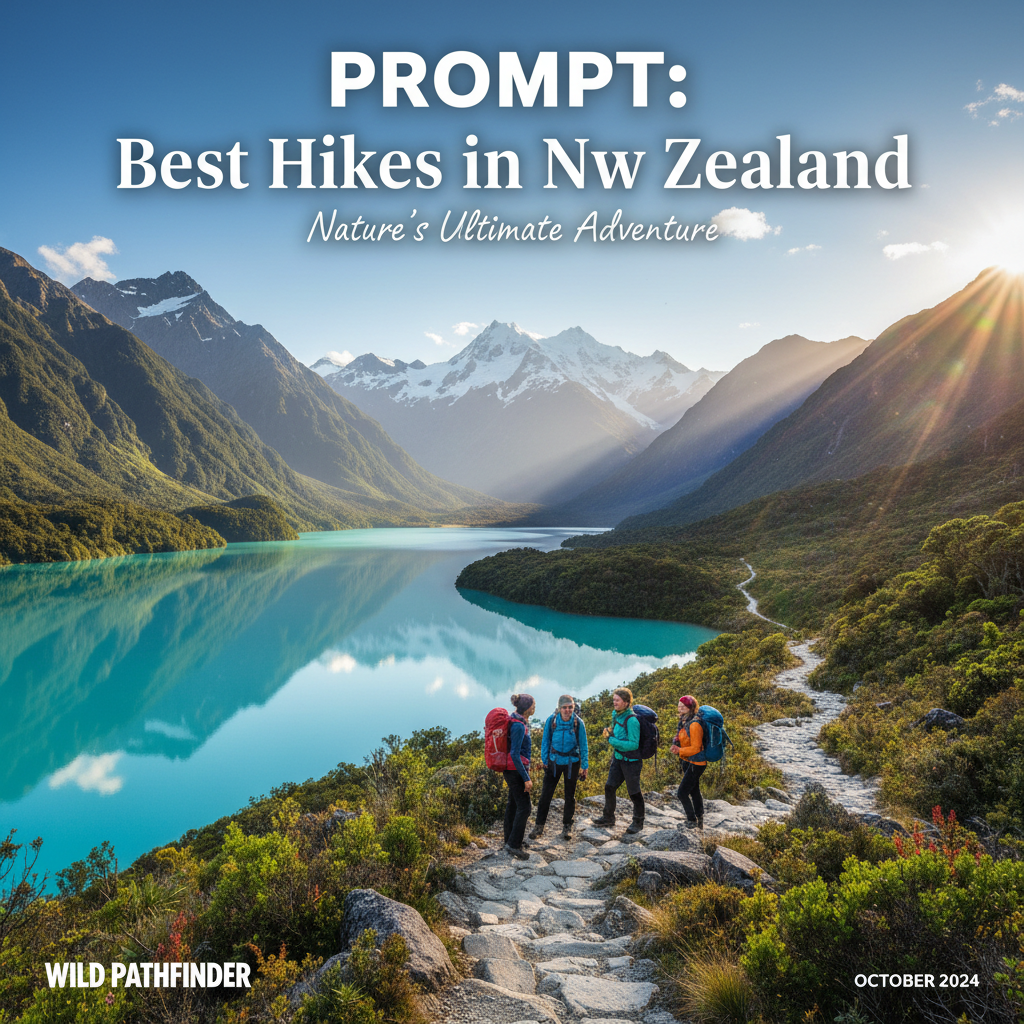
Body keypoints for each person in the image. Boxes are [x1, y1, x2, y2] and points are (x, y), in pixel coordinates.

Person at [530, 695, 589, 842]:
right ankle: (539, 826)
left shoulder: (578, 723)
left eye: (570, 707)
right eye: (564, 707)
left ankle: (567, 826)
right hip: (554, 762)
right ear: (559, 708)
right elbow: (545, 740)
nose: (567, 710)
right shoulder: (552, 721)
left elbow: (583, 745)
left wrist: (585, 766)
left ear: (573, 707)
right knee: (545, 795)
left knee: (569, 796)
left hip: (572, 763)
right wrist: (545, 760)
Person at [591, 687, 645, 834]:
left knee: (634, 792)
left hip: (631, 761)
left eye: (617, 700)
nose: (614, 702)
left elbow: (634, 744)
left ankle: (638, 822)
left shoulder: (632, 720)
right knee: (609, 786)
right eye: (614, 700)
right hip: (618, 758)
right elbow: (618, 731)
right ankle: (608, 817)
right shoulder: (616, 714)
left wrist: (612, 740)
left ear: (626, 702)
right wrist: (610, 732)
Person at [503, 692, 535, 859]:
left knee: (513, 804)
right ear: (527, 708)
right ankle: (514, 845)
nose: (535, 707)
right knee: (525, 808)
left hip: (511, 769)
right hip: (515, 770)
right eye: (533, 705)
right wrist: (526, 778)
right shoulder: (518, 726)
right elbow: (515, 754)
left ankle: (509, 839)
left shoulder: (516, 720)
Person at [670, 694, 706, 829]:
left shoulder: (695, 724)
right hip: (687, 760)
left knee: (682, 793)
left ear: (690, 707)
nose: (680, 708)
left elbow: (696, 748)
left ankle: (692, 820)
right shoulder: (684, 721)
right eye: (679, 706)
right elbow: (682, 738)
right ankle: (700, 818)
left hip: (696, 763)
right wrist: (676, 745)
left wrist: (679, 750)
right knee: (694, 790)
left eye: (683, 706)